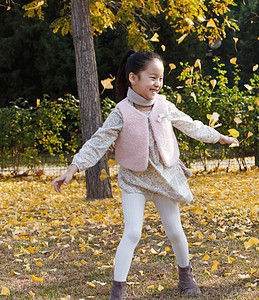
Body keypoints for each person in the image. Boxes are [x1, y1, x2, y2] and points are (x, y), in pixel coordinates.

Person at [51, 50, 238, 299]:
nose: (158, 83)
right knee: (132, 232)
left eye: (160, 78)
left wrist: (219, 137)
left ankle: (186, 277)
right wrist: (73, 169)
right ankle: (118, 290)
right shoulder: (120, 112)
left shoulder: (163, 105)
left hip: (164, 178)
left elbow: (189, 124)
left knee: (175, 230)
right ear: (133, 78)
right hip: (134, 181)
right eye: (152, 77)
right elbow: (97, 143)